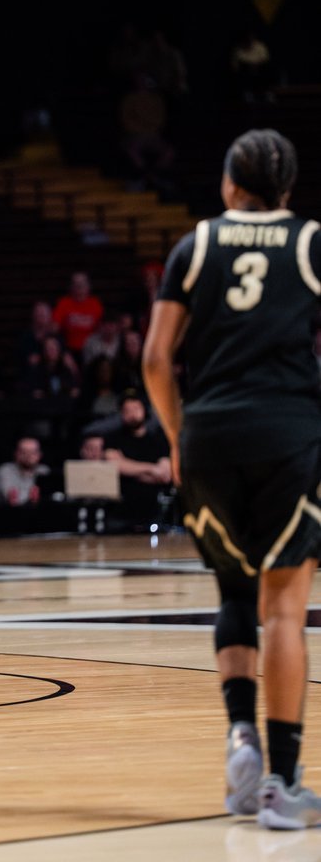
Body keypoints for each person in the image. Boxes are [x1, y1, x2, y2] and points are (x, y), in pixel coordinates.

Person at [142, 128, 321, 828]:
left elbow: (157, 358)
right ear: (288, 187)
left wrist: (177, 433)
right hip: (286, 434)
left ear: (228, 183)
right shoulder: (310, 242)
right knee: (284, 608)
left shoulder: (198, 243)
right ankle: (281, 782)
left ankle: (241, 743)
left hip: (209, 437)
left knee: (234, 593)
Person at [102, 392, 172, 527]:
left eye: (136, 409)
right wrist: (152, 469)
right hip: (119, 509)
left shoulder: (158, 440)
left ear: (145, 410)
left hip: (153, 509)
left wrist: (129, 470)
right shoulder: (112, 438)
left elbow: (165, 475)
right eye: (127, 410)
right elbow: (115, 466)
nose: (132, 414)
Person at [52, 272, 103, 356]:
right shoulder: (64, 303)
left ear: (88, 287)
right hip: (68, 349)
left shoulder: (95, 304)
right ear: (71, 287)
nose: (79, 286)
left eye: (82, 284)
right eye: (75, 284)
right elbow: (54, 328)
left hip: (91, 348)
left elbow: (101, 328)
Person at [0, 437, 44, 507]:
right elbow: (12, 500)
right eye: (24, 452)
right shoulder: (5, 470)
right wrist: (32, 498)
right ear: (16, 453)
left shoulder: (44, 471)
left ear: (39, 454)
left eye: (33, 452)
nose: (28, 456)